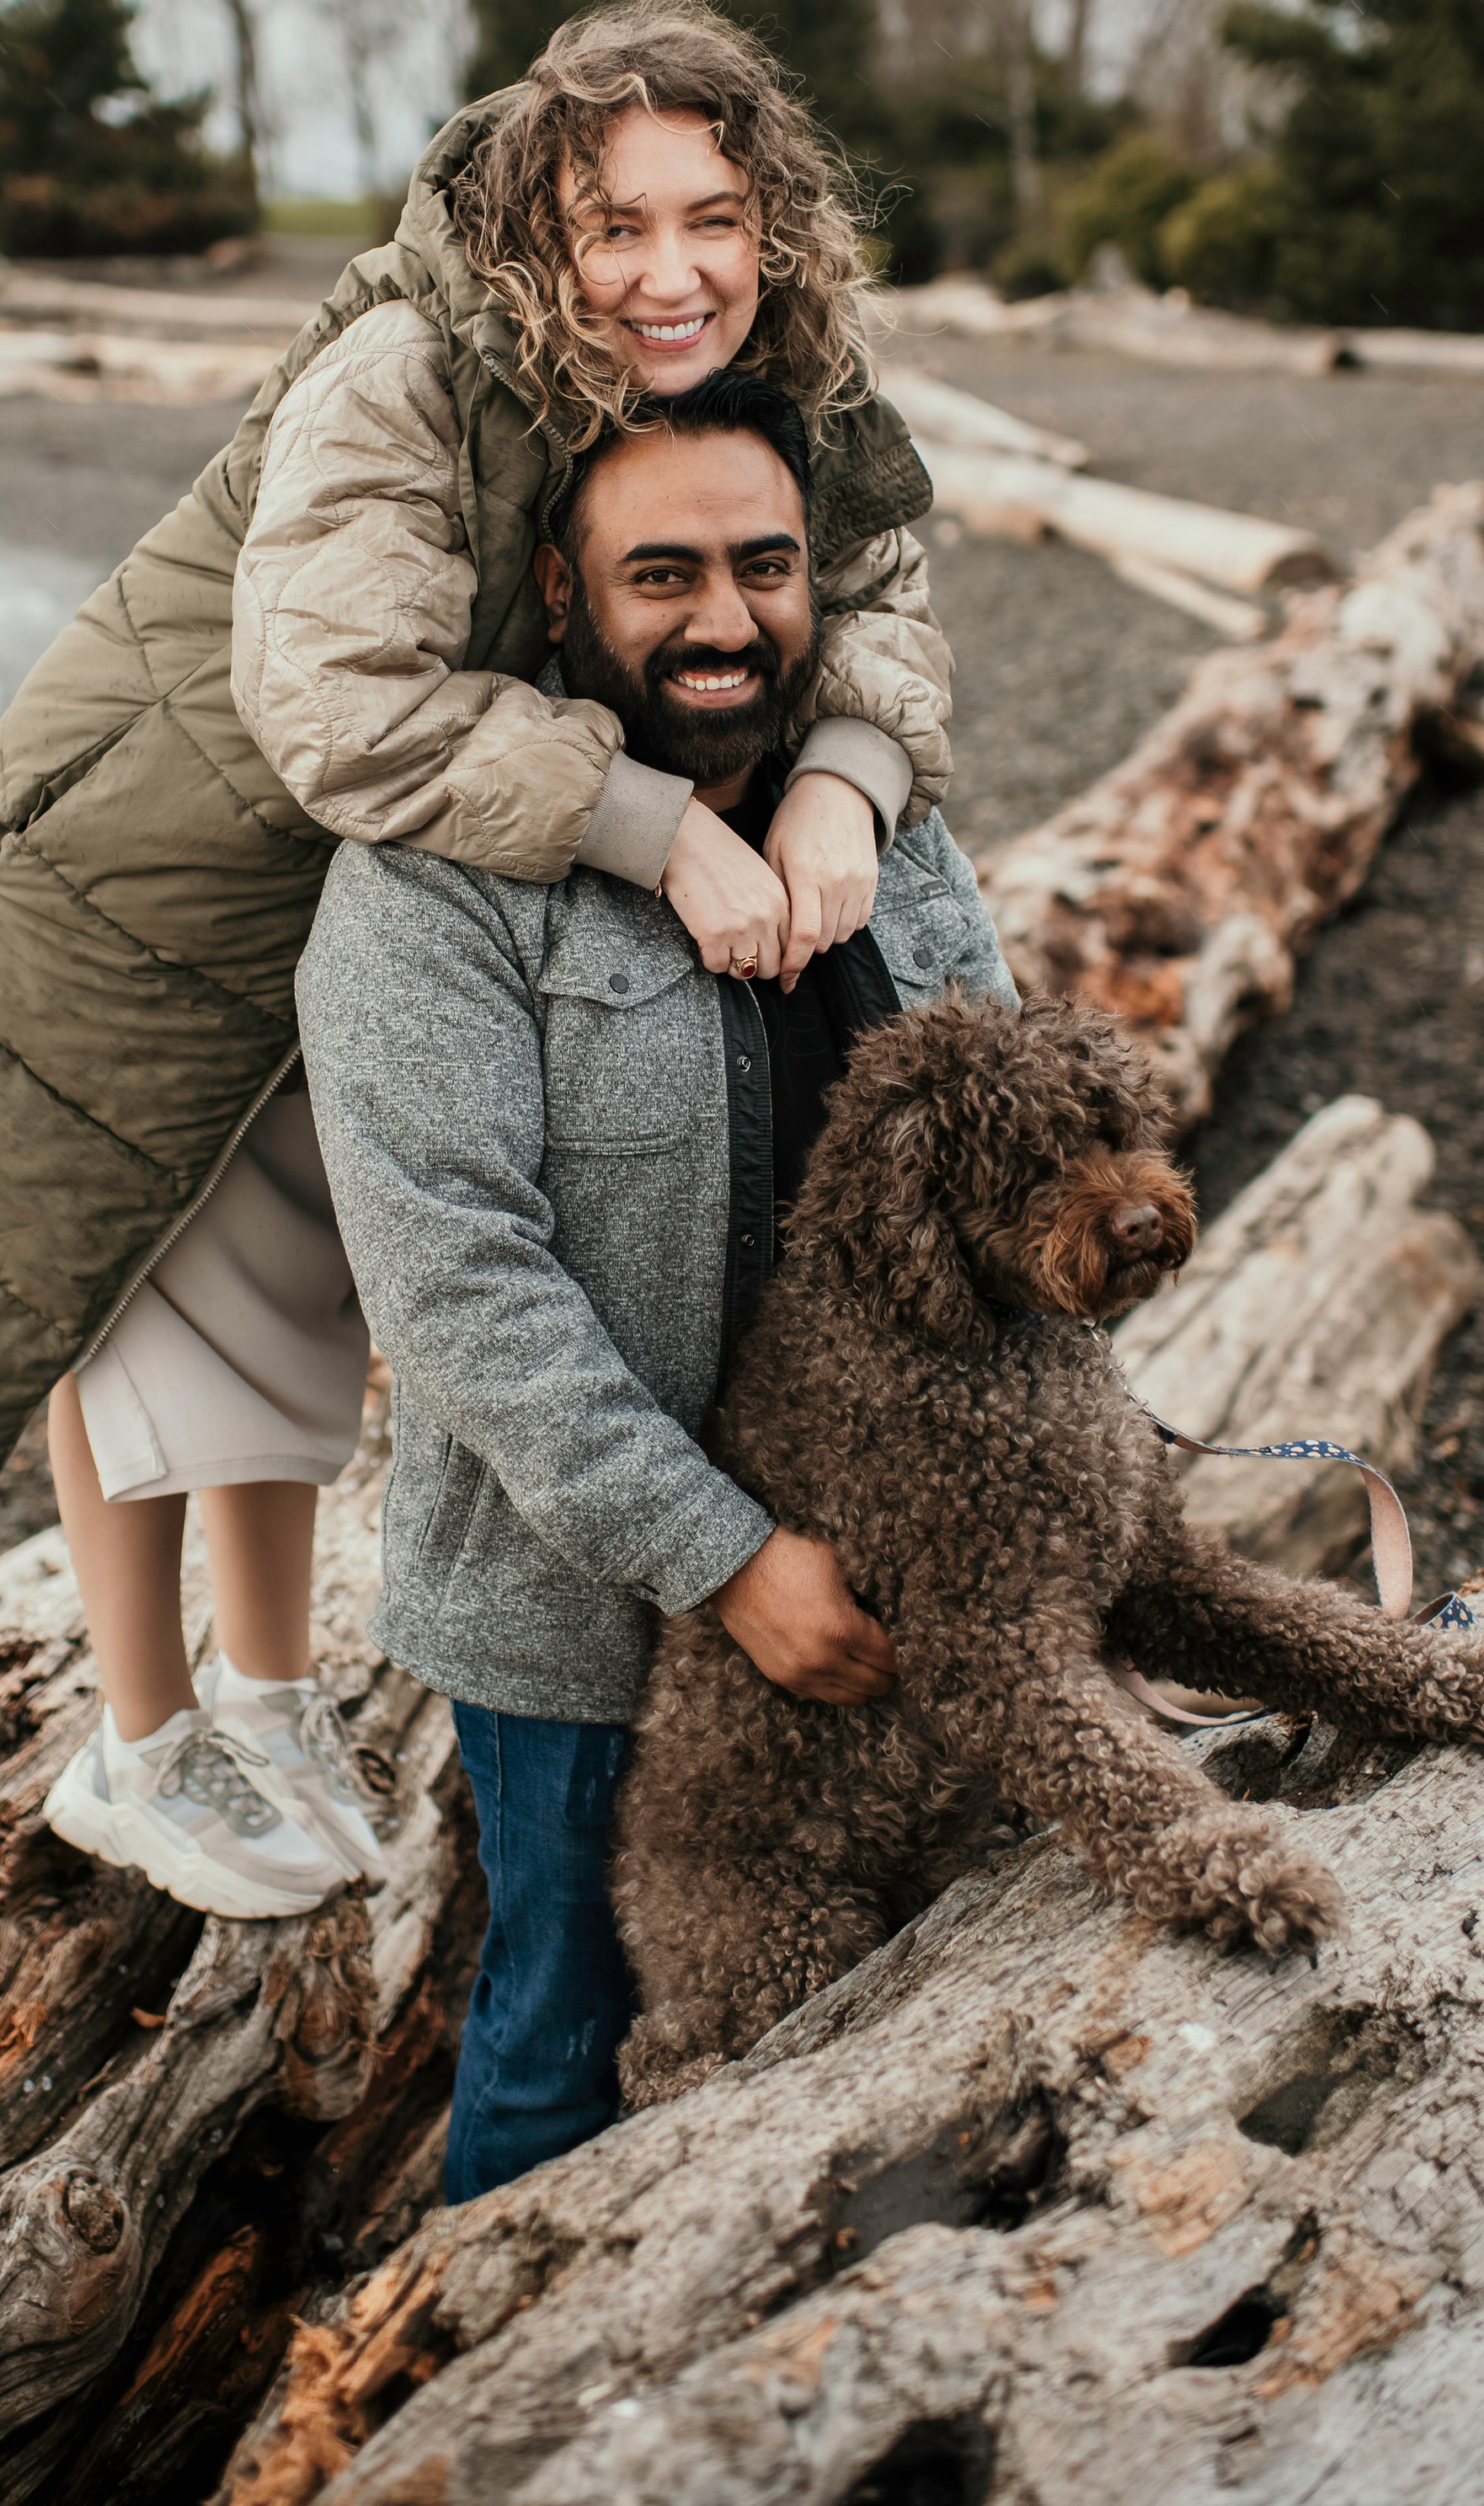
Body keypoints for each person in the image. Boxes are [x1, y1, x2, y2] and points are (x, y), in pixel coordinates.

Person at [0, 0, 957, 1921]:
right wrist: (661, 823)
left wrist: (846, 782)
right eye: (616, 225)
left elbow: (877, 594)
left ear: (773, 221)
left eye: (712, 218)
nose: (671, 272)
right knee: (137, 1277)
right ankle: (136, 1739)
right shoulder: (408, 368)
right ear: (537, 228)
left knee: (297, 1272)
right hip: (154, 863)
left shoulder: (790, 360)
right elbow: (336, 701)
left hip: (386, 848)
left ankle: (272, 1703)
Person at [295, 372, 1017, 2199]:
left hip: (916, 1579)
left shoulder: (890, 834)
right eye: (662, 573)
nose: (723, 619)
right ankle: (480, 2345)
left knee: (923, 1990)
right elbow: (459, 1289)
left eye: (764, 566)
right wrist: (726, 1563)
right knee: (565, 2032)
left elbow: (1017, 1178)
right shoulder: (430, 889)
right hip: (588, 1630)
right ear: (561, 587)